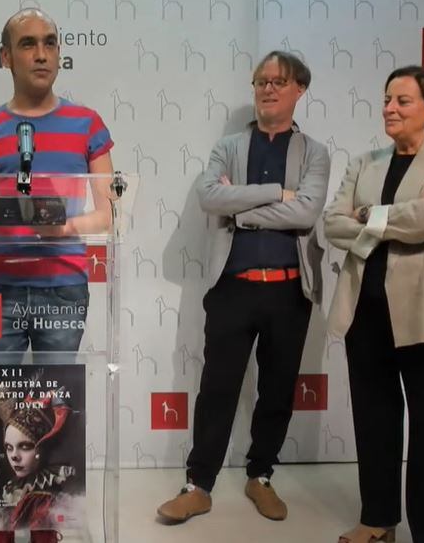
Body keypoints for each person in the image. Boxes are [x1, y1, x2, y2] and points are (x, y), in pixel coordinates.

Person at [157, 51, 330, 523]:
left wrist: (242, 206)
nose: (267, 88)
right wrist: (277, 194)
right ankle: (198, 484)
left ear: (299, 89)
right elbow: (211, 197)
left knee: (277, 389)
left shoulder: (314, 152)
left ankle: (261, 476)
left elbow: (308, 212)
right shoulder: (229, 146)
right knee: (217, 388)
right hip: (233, 288)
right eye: (260, 81)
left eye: (278, 81)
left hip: (289, 291)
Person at [323, 66, 424, 543]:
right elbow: (332, 224)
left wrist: (368, 216)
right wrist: (397, 217)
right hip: (365, 313)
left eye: (403, 101)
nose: (389, 108)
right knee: (374, 424)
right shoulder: (364, 161)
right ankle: (377, 522)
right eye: (387, 98)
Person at [0, 8, 114, 360]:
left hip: (63, 289)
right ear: (5, 57)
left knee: (56, 409)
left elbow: (110, 216)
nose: (42, 54)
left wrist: (67, 227)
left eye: (50, 44)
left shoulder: (88, 124)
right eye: (28, 44)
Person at [0, 380, 75, 543]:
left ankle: (43, 536)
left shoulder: (45, 496)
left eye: (25, 446)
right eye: (9, 447)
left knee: (41, 527)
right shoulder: (14, 489)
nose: (14, 456)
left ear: (41, 448)